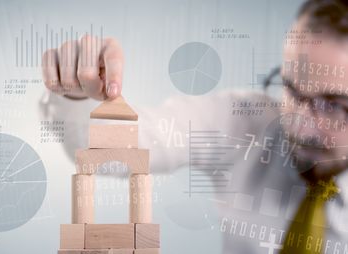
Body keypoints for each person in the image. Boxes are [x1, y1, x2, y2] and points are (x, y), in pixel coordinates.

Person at [42, 0, 348, 253]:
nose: (301, 124)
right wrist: (80, 91)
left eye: (333, 105)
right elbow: (111, 148)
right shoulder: (247, 122)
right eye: (291, 89)